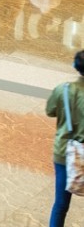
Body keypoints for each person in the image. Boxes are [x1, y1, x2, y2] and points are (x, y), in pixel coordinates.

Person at [47, 50, 84, 227]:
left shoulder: (64, 89)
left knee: (60, 204)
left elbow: (50, 110)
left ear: (75, 66)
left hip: (64, 151)